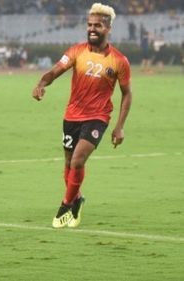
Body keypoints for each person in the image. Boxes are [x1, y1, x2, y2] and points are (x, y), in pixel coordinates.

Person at [32, 3, 132, 228]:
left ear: (108, 28)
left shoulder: (119, 61)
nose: (92, 29)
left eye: (97, 25)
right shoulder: (76, 51)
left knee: (78, 159)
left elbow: (127, 95)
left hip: (98, 117)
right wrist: (41, 83)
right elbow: (55, 71)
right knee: (68, 163)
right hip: (72, 116)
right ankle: (77, 199)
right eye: (89, 25)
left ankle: (65, 205)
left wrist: (120, 126)